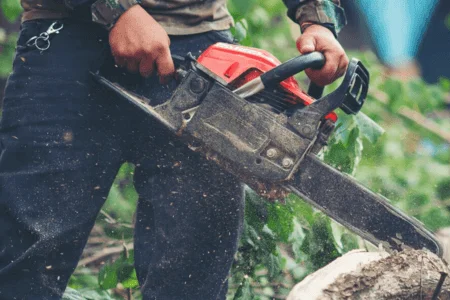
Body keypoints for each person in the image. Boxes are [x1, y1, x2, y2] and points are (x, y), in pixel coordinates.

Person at [0, 0, 348, 298]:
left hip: (201, 46)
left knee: (194, 265)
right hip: (68, 37)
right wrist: (116, 9)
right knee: (29, 249)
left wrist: (316, 17)